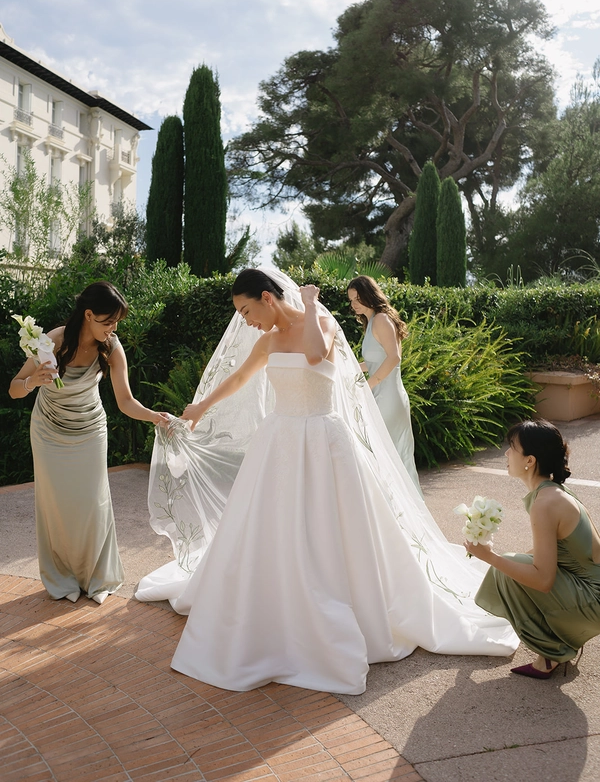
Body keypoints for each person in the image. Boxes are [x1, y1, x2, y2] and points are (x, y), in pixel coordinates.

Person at [137, 268, 518, 695]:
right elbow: (241, 378)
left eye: (247, 310)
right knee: (273, 524)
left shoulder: (319, 324)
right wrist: (201, 406)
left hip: (323, 438)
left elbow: (317, 357)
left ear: (267, 297)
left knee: (330, 524)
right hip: (279, 439)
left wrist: (313, 302)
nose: (245, 321)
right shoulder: (266, 342)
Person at [9, 281, 169, 605]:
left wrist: (154, 416)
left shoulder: (110, 347)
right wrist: (32, 381)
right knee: (56, 507)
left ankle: (96, 577)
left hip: (90, 430)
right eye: (108, 321)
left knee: (92, 505)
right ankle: (62, 577)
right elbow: (14, 388)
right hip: (49, 431)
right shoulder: (52, 342)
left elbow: (125, 401)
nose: (112, 329)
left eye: (116, 323)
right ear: (88, 315)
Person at [468, 419, 600, 678]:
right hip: (591, 591)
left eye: (512, 448)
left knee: (506, 569)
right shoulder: (552, 493)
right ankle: (559, 639)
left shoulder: (546, 502)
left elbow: (543, 581)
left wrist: (489, 557)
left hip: (593, 601)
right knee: (513, 564)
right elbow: (553, 554)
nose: (506, 453)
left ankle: (552, 649)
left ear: (529, 460)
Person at [347, 275, 420, 491]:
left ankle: (403, 511)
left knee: (390, 454)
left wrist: (369, 385)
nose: (354, 304)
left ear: (370, 294)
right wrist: (346, 367)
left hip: (388, 398)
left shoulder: (380, 319)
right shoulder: (371, 322)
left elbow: (394, 357)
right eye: (351, 300)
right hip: (380, 395)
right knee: (383, 455)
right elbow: (374, 361)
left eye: (358, 298)